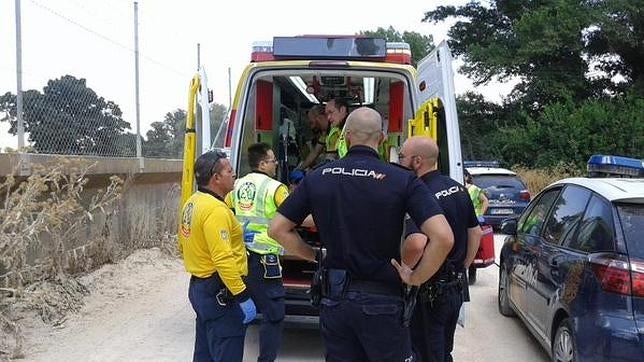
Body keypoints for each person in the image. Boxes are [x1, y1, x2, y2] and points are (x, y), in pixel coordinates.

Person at [268, 107, 454, 362]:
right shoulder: (402, 180)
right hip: (384, 300)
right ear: (381, 139)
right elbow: (443, 237)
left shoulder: (318, 177)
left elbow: (277, 228)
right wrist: (415, 277)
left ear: (345, 138)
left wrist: (314, 256)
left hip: (335, 299)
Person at [399, 137, 482, 362]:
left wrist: (404, 271)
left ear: (417, 162)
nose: (399, 162)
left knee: (425, 354)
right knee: (443, 352)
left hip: (429, 291)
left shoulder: (419, 194)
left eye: (401, 157)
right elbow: (475, 232)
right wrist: (461, 266)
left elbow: (416, 243)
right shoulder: (458, 189)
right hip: (454, 287)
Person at [178, 149, 257, 362]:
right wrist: (242, 295)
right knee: (226, 350)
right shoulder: (216, 211)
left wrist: (236, 235)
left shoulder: (194, 202)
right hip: (220, 293)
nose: (234, 175)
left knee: (205, 353)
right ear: (216, 178)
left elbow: (189, 242)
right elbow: (222, 260)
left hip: (200, 288)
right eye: (230, 171)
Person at [226, 143, 289, 362]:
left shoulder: (236, 186)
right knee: (273, 315)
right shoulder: (276, 188)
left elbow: (225, 210)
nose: (276, 164)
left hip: (240, 259)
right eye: (273, 160)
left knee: (239, 312)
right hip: (265, 262)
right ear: (262, 164)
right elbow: (293, 214)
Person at [298, 105, 329, 170]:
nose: (312, 127)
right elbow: (315, 152)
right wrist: (300, 169)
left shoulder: (335, 131)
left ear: (319, 118)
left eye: (312, 122)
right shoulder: (325, 133)